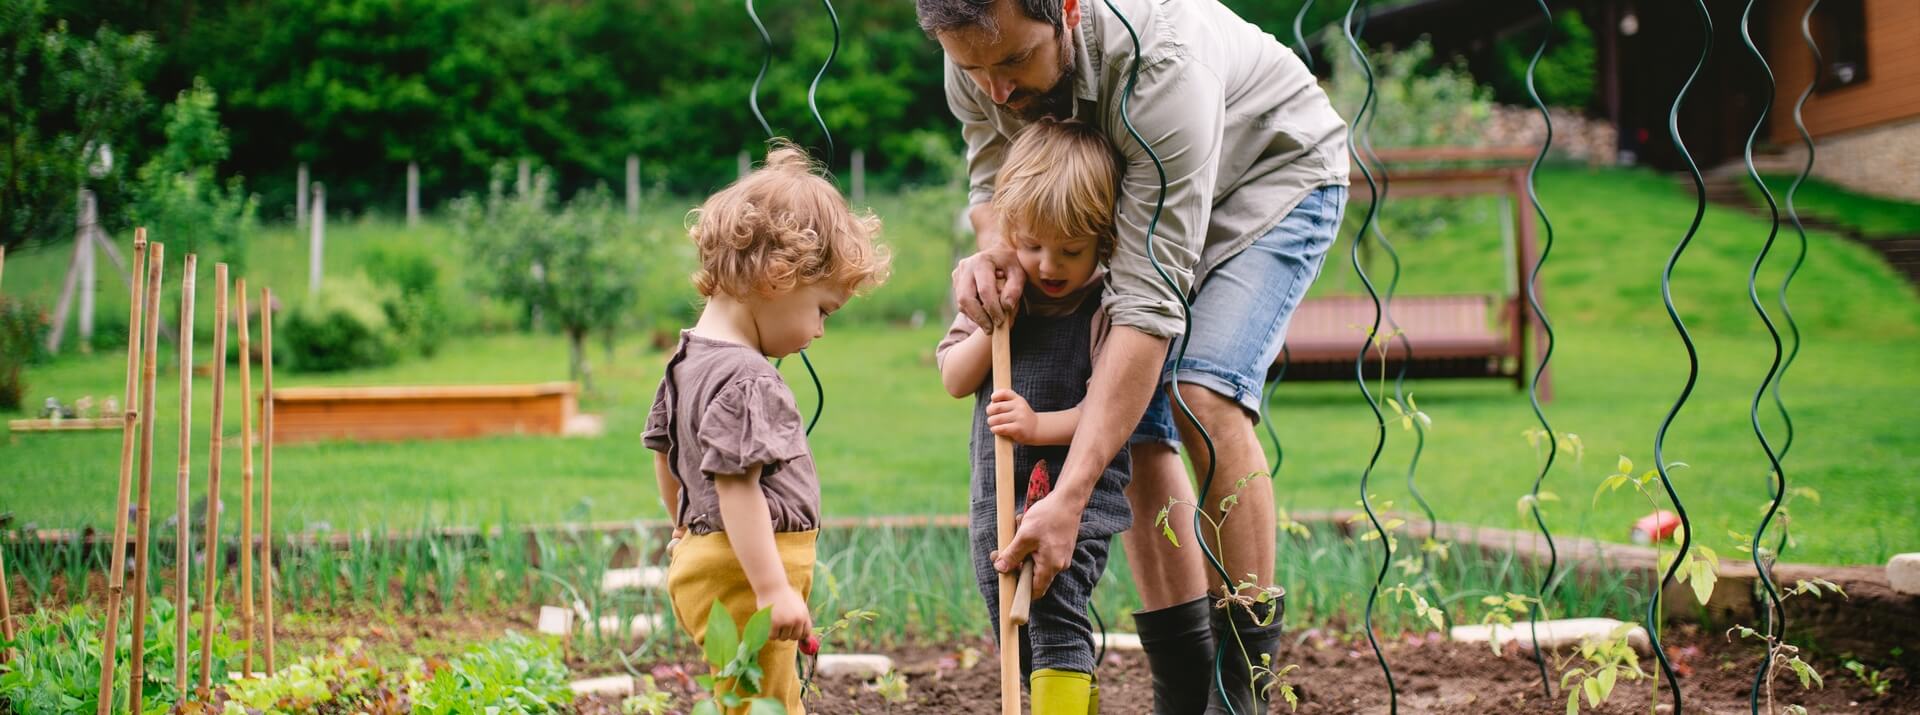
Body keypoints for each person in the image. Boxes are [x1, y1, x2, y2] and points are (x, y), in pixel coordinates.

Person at [915, 0, 1349, 712]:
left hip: (1271, 175)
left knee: (1199, 394)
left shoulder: (1160, 70)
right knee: (1141, 430)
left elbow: (1147, 307)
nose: (994, 87)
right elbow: (992, 165)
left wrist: (1070, 496)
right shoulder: (978, 40)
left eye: (1014, 63)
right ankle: (1182, 689)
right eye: (971, 69)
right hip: (1142, 198)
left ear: (1067, 10)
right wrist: (994, 251)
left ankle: (1243, 689)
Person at [644, 143, 890, 715]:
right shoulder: (749, 378)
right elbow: (737, 485)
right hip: (749, 570)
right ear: (779, 277)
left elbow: (665, 452)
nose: (821, 331)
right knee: (765, 703)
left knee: (745, 695)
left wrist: (681, 525)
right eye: (823, 309)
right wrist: (773, 587)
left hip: (711, 558)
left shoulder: (688, 361)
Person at [936, 118, 1128, 714]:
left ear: (1104, 241)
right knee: (1011, 622)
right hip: (998, 492)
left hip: (1077, 495)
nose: (1048, 265)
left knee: (1055, 610)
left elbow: (1112, 404)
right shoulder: (995, 292)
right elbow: (953, 378)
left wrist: (1037, 426)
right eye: (1032, 245)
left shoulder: (1109, 306)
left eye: (1070, 251)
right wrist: (997, 324)